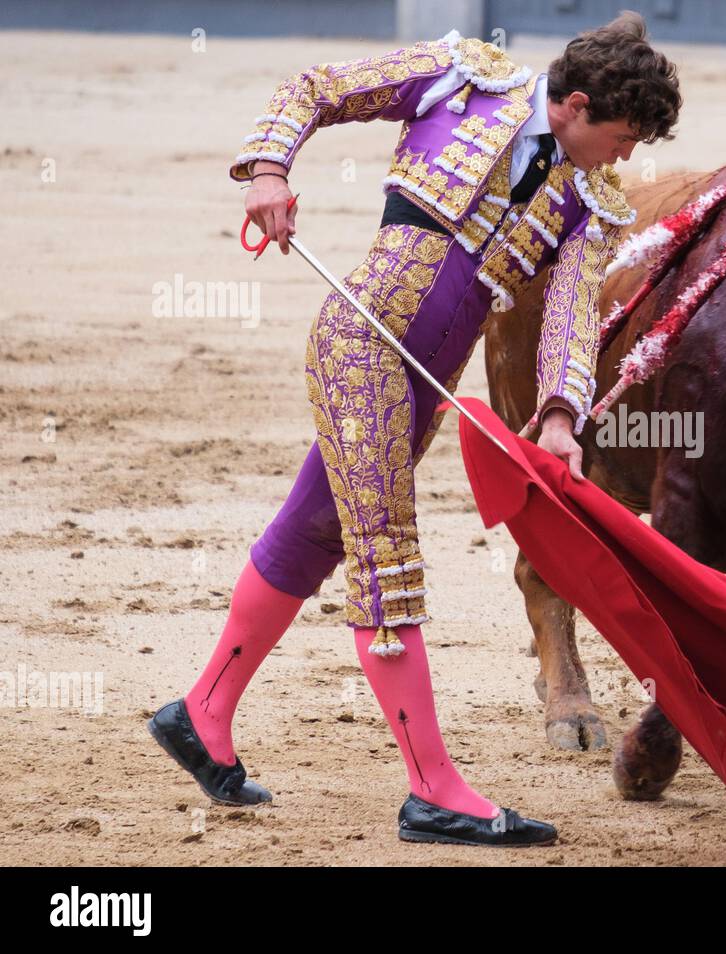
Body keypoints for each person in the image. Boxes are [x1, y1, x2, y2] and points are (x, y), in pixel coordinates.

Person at [147, 11, 681, 847]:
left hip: (428, 385)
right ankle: (434, 789)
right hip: (361, 342)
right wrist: (267, 169)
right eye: (623, 137)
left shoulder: (588, 201)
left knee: (313, 531)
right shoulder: (466, 76)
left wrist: (560, 414)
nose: (628, 158)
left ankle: (202, 714)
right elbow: (320, 88)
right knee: (386, 558)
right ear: (575, 106)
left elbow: (572, 318)